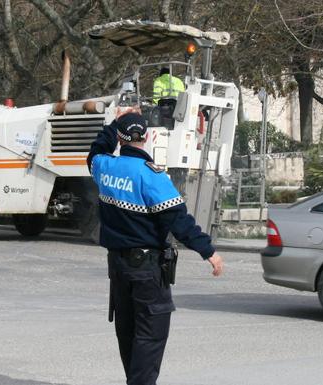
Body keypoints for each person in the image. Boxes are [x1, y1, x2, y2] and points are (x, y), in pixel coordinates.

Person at [87, 112, 224, 385]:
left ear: (120, 138)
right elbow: (178, 220)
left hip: (118, 268)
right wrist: (208, 250)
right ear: (147, 136)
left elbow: (95, 151)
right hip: (147, 270)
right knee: (150, 335)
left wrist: (113, 125)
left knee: (127, 332)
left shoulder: (104, 166)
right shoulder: (151, 176)